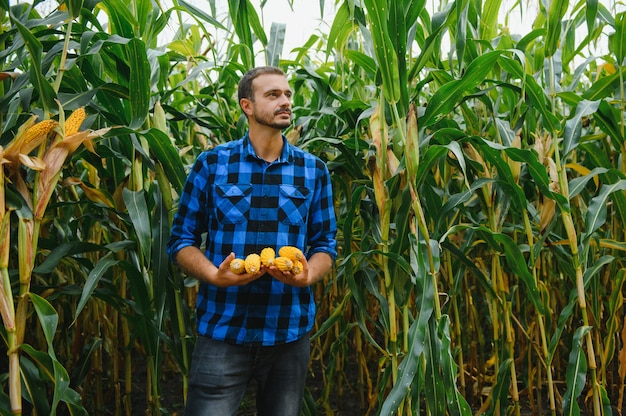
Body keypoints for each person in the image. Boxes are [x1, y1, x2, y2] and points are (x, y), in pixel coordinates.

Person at [166, 66, 337, 416]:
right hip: (224, 329)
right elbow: (181, 239)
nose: (285, 101)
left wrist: (307, 275)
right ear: (247, 105)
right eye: (273, 95)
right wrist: (214, 275)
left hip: (288, 332)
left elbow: (325, 244)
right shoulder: (213, 164)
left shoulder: (313, 170)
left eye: (287, 94)